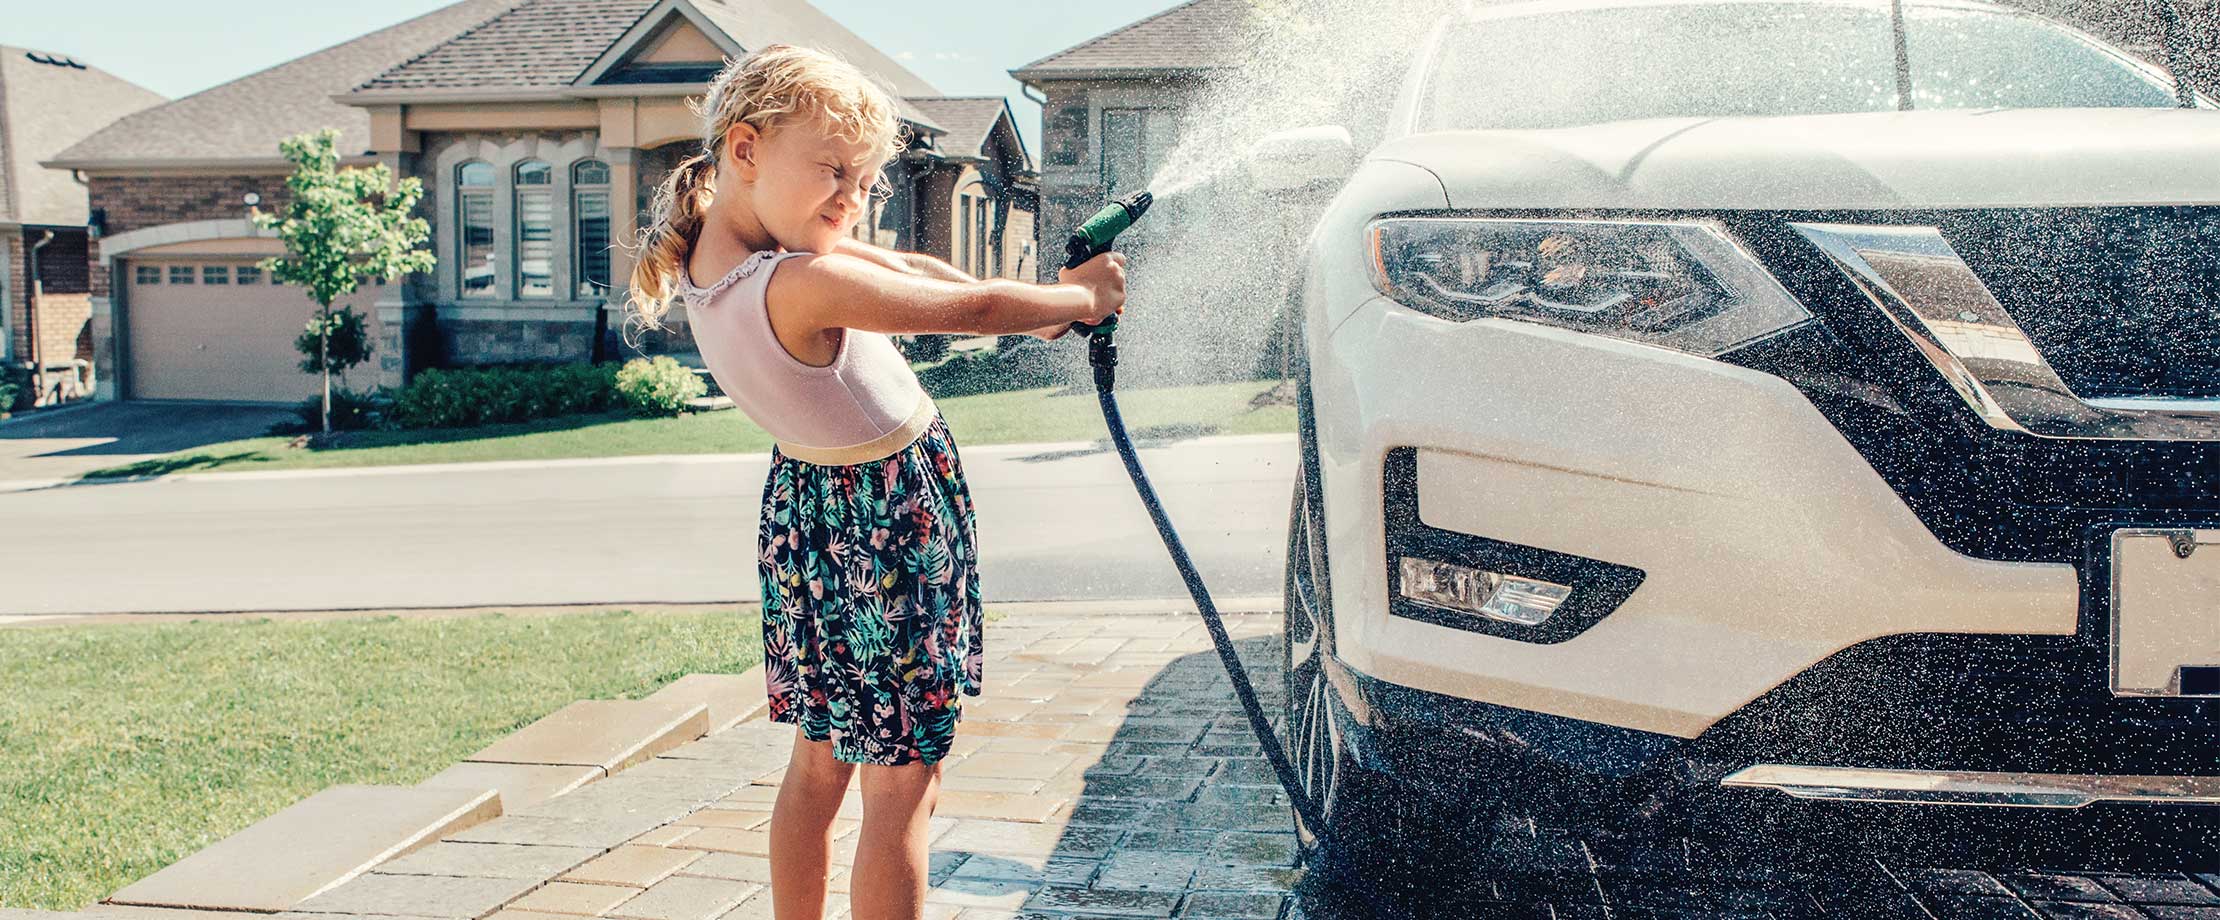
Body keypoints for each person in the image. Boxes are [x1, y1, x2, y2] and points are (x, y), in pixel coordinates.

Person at [623, 44, 1126, 920]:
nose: (851, 200)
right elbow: (964, 313)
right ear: (745, 149)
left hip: (814, 520)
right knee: (904, 784)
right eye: (833, 171)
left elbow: (921, 277)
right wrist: (1078, 302)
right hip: (886, 525)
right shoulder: (798, 282)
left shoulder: (724, 267)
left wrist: (1033, 306)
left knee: (820, 765)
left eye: (866, 180)